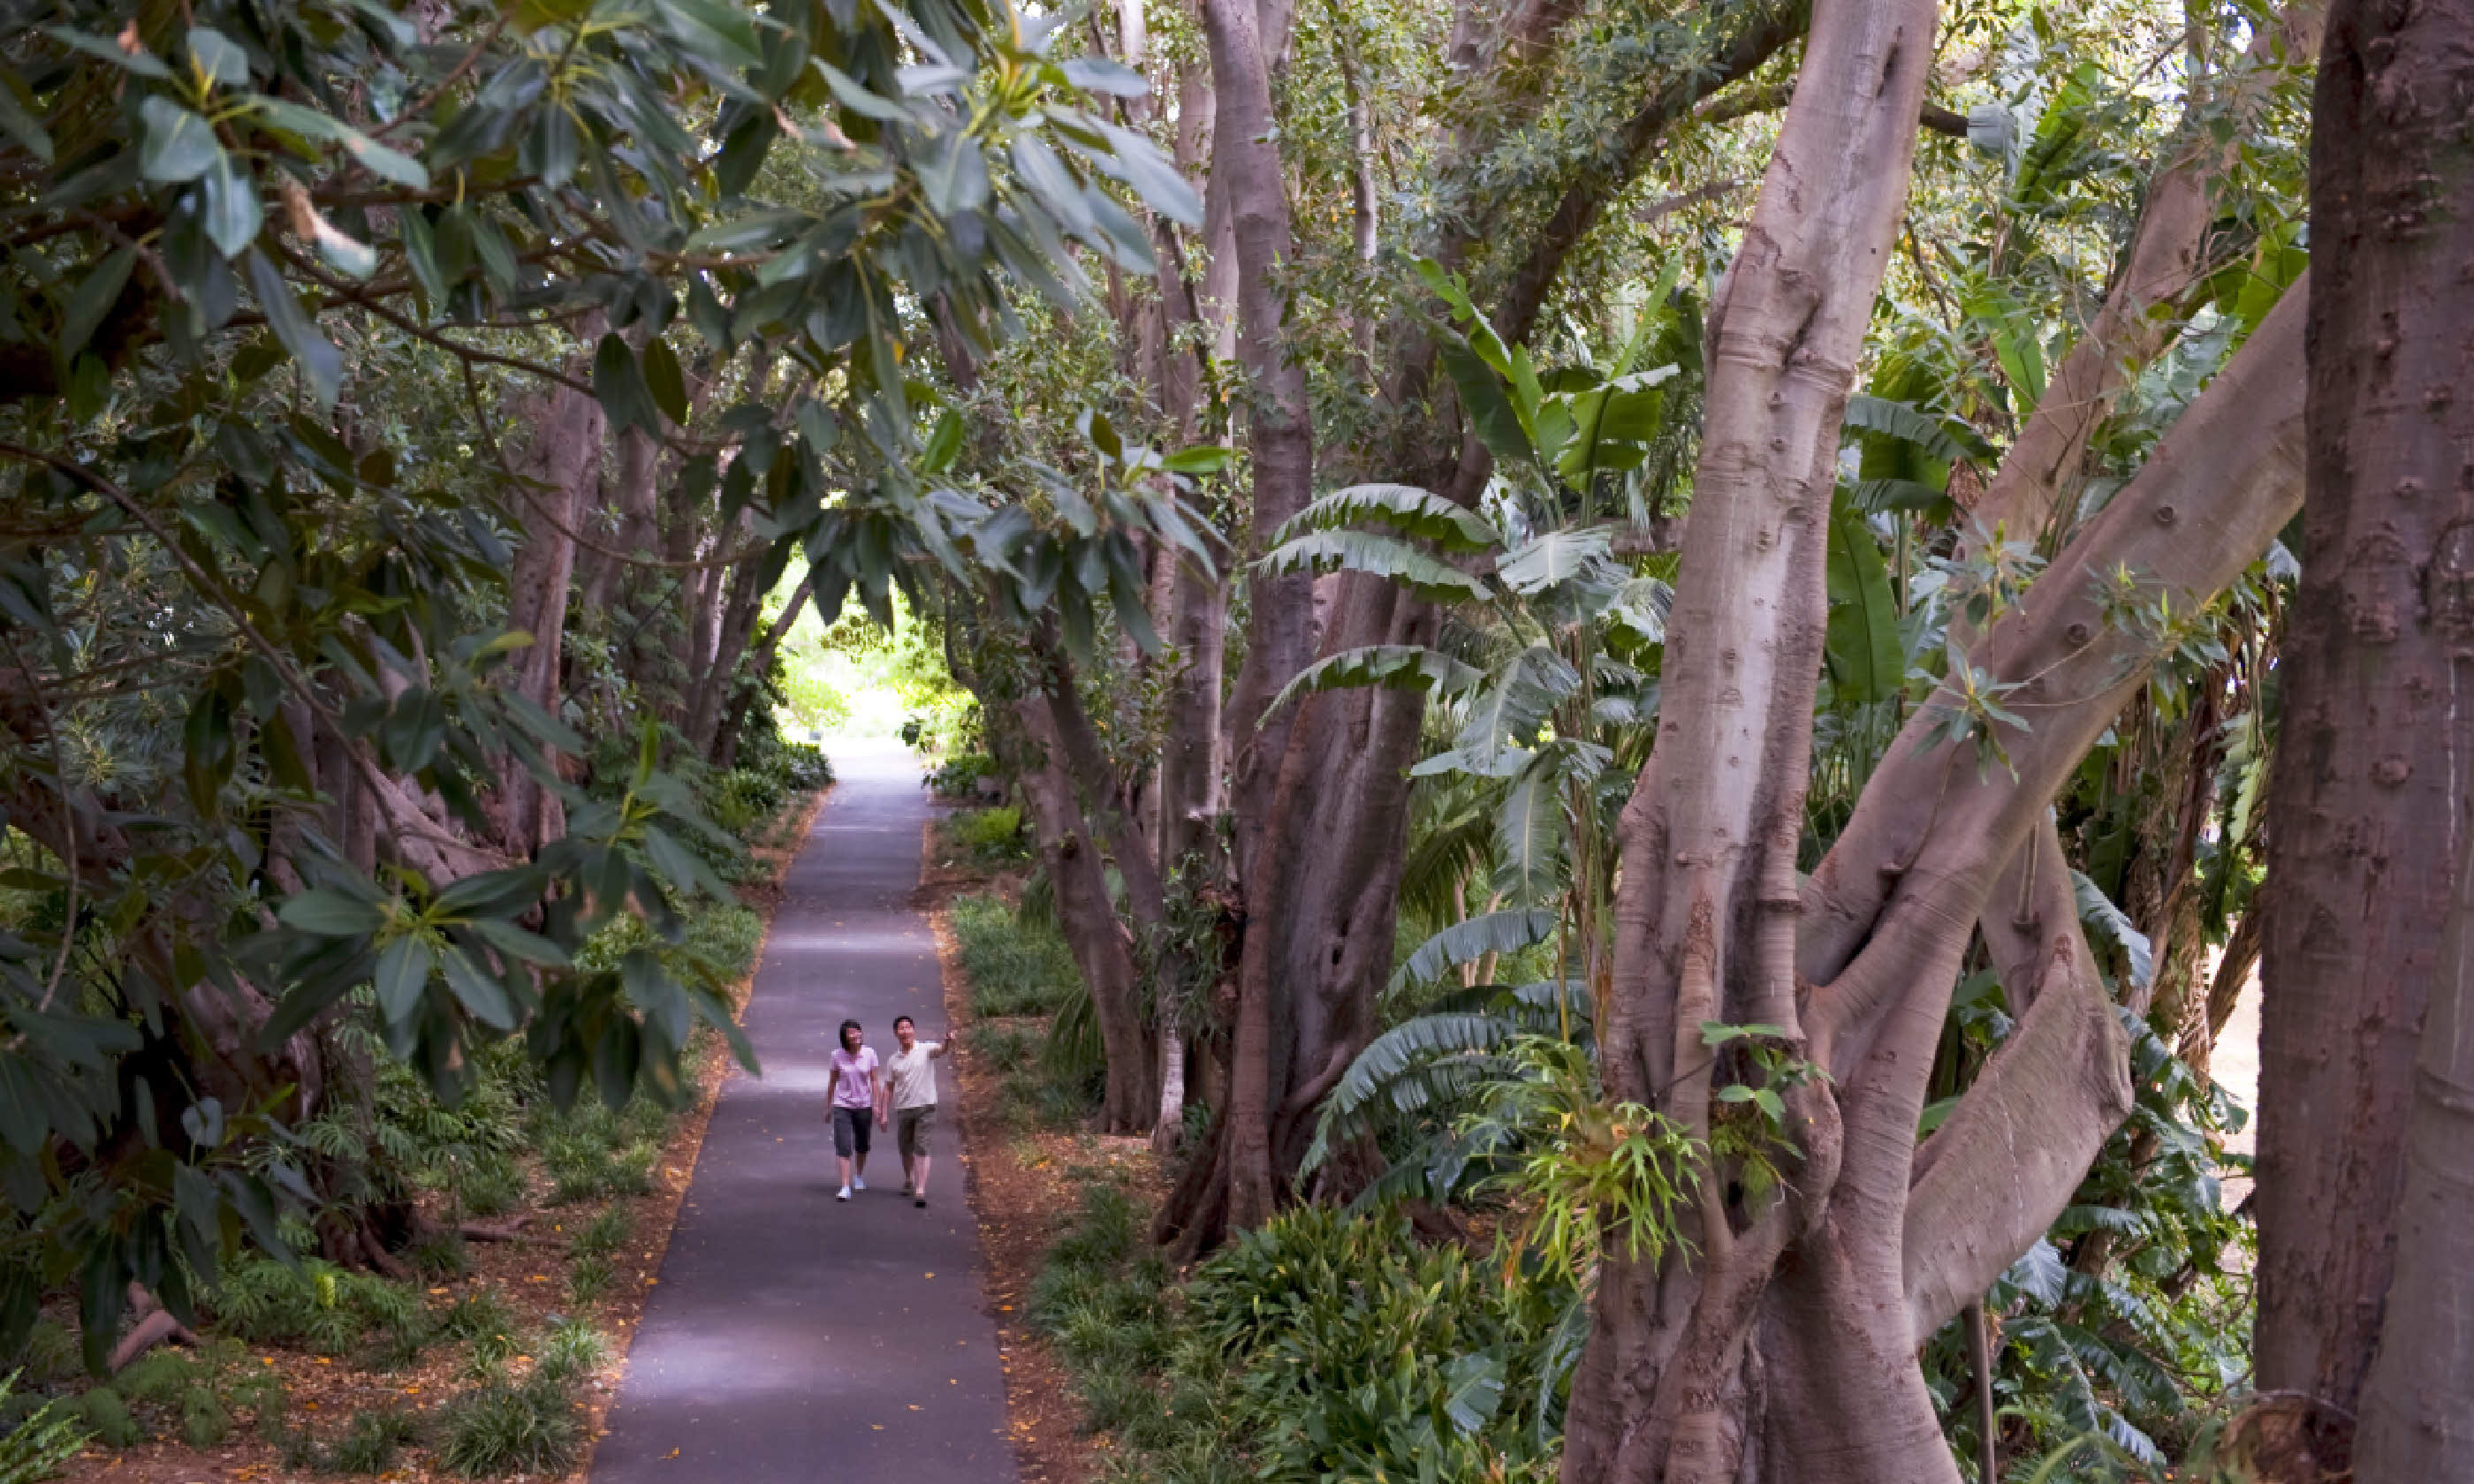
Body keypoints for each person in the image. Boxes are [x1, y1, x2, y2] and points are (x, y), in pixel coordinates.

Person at [884, 1015, 950, 1208]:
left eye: (908, 1027)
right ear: (896, 1033)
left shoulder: (926, 1049)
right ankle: (908, 1178)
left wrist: (948, 1041)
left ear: (914, 1030)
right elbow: (888, 1087)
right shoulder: (893, 1060)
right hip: (904, 1107)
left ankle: (920, 1189)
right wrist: (883, 1112)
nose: (905, 1031)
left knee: (922, 1146)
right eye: (901, 1028)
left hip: (926, 1106)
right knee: (905, 1148)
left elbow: (942, 1050)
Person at [824, 1019, 885, 1201]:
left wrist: (876, 1104)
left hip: (864, 1105)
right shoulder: (836, 1055)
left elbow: (874, 1080)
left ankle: (858, 1176)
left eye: (858, 1031)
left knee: (862, 1143)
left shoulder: (869, 1053)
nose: (856, 1035)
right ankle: (844, 1186)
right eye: (851, 1033)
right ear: (844, 1037)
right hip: (842, 1104)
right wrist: (828, 1107)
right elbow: (832, 1082)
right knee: (843, 1145)